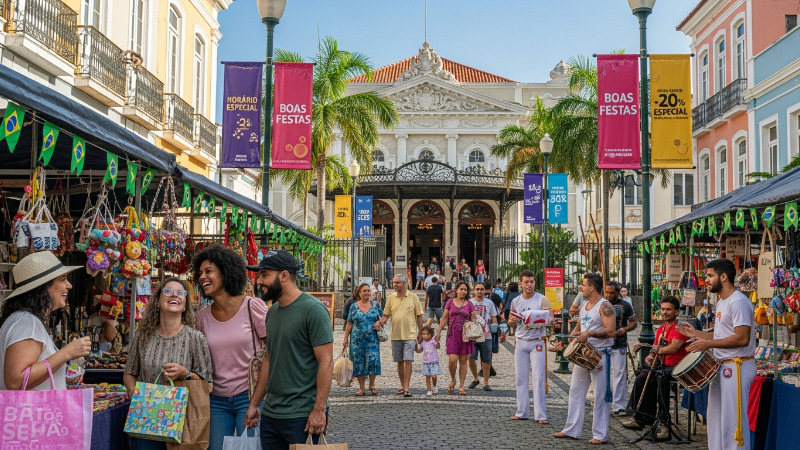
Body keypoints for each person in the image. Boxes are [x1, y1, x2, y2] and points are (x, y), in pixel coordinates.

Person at [245, 250, 334, 449]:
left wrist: (319, 410)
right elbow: (269, 359)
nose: (259, 281)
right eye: (259, 275)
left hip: (302, 416)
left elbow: (326, 362)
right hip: (271, 414)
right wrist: (254, 404)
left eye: (264, 274)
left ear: (284, 275)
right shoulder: (272, 312)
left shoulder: (314, 310)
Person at [124, 278, 214, 450]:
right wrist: (133, 391)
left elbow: (207, 384)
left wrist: (184, 373)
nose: (174, 294)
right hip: (146, 417)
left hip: (183, 421)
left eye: (181, 293)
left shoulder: (195, 338)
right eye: (168, 291)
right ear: (157, 302)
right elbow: (130, 372)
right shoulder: (143, 336)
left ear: (185, 304)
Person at [194, 246, 268, 450]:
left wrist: (258, 399)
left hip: (250, 395)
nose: (202, 277)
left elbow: (274, 351)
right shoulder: (201, 317)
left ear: (226, 272)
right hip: (215, 400)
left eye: (208, 271)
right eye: (200, 273)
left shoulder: (252, 306)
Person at [677, 258, 755, 450]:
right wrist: (695, 334)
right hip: (721, 365)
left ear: (724, 276)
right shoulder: (722, 302)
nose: (707, 280)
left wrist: (707, 344)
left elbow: (742, 338)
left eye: (710, 276)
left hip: (737, 366)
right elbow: (720, 335)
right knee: (716, 418)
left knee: (732, 420)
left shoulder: (738, 302)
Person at [0, 252, 91, 391]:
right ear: (43, 287)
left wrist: (60, 373)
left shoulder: (23, 319)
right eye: (63, 279)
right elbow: (16, 381)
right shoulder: (27, 322)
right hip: (31, 412)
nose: (69, 285)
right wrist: (67, 353)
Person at [554, 272, 616, 444]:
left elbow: (611, 331)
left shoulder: (605, 306)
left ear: (592, 287)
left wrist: (590, 333)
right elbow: (577, 330)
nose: (580, 287)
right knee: (575, 391)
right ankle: (572, 429)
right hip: (583, 355)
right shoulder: (584, 306)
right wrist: (566, 342)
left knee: (600, 396)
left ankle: (600, 434)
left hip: (599, 356)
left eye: (583, 284)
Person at [622, 296, 688, 439]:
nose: (664, 312)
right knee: (642, 376)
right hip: (663, 364)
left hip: (677, 366)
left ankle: (664, 423)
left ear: (677, 312)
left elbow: (673, 347)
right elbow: (656, 347)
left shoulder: (680, 328)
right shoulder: (662, 328)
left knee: (661, 377)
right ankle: (641, 417)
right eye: (663, 309)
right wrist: (651, 356)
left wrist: (655, 350)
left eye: (668, 309)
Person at [507, 270, 553, 423]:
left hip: (537, 340)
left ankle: (540, 415)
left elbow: (551, 319)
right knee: (521, 378)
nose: (529, 285)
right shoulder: (516, 301)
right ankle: (522, 411)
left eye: (532, 282)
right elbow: (510, 321)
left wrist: (537, 317)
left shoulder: (542, 299)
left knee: (538, 378)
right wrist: (511, 322)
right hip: (520, 341)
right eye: (526, 282)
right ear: (520, 283)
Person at [380, 275, 422, 398]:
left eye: (397, 282)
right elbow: (386, 315)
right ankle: (402, 385)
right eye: (394, 283)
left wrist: (420, 332)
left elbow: (419, 315)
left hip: (410, 334)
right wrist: (381, 321)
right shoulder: (391, 298)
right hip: (396, 334)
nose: (395, 285)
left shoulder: (413, 297)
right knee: (399, 361)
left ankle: (407, 387)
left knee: (408, 360)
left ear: (404, 283)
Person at [435, 281, 477, 395]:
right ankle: (453, 379)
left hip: (465, 335)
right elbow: (444, 318)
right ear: (456, 290)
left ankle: (461, 386)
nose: (463, 291)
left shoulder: (469, 304)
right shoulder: (450, 302)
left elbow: (475, 318)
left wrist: (474, 317)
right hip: (452, 334)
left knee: (463, 360)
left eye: (465, 289)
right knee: (452, 359)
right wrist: (438, 332)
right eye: (461, 289)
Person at [342, 283, 383, 396]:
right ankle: (362, 388)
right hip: (357, 341)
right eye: (364, 291)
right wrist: (345, 338)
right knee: (359, 362)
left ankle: (372, 385)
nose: (367, 293)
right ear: (359, 293)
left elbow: (384, 317)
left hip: (372, 339)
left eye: (368, 291)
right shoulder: (354, 306)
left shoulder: (375, 305)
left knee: (373, 361)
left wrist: (379, 322)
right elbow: (349, 323)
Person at [605, 281, 636, 416]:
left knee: (619, 375)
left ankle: (619, 405)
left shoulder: (626, 305)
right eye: (607, 292)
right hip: (604, 344)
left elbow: (633, 322)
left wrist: (625, 329)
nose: (609, 295)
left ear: (618, 293)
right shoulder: (601, 304)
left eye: (612, 293)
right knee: (602, 375)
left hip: (620, 343)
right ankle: (603, 404)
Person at [468, 282, 498, 391]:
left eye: (481, 289)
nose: (479, 291)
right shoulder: (469, 302)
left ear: (485, 290)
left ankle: (486, 382)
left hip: (486, 335)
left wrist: (495, 329)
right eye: (477, 289)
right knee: (471, 358)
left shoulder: (489, 303)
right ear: (474, 290)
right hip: (472, 335)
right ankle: (475, 378)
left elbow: (494, 318)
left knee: (486, 360)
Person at [415, 325, 441, 397]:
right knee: (427, 376)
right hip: (426, 362)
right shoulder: (422, 342)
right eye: (423, 334)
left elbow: (438, 347)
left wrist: (437, 341)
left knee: (434, 376)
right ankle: (429, 390)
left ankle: (434, 386)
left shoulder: (433, 341)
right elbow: (419, 351)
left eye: (427, 334)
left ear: (431, 335)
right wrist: (416, 346)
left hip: (434, 361)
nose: (425, 336)